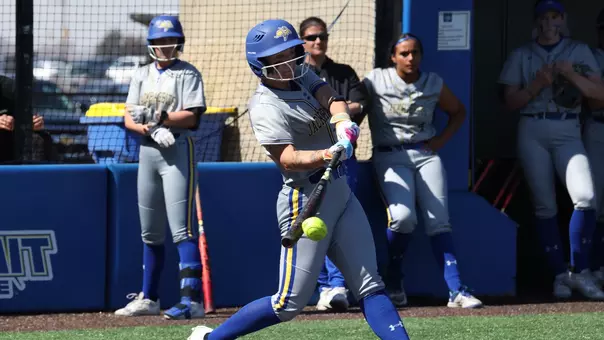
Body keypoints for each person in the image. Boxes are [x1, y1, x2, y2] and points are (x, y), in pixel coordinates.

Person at [187, 19, 410, 340]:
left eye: (291, 51)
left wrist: (343, 120)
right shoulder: (264, 106)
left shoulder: (301, 74)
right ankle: (209, 339)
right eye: (278, 56)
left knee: (371, 285)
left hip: (339, 190)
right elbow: (288, 159)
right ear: (260, 64)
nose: (288, 60)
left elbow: (330, 96)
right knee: (288, 303)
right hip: (305, 200)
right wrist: (328, 152)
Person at [362, 33, 483, 309]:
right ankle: (393, 281)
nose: (410, 58)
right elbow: (355, 106)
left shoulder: (432, 82)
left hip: (425, 154)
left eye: (415, 52)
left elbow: (458, 112)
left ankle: (456, 291)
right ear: (393, 56)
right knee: (403, 218)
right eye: (403, 53)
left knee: (439, 221)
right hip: (390, 155)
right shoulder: (375, 80)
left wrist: (440, 140)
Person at [498, 0, 604, 300]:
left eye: (555, 16)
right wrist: (536, 84)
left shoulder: (579, 51)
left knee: (585, 197)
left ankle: (579, 271)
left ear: (563, 19)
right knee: (545, 205)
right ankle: (559, 276)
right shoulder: (522, 53)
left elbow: (599, 95)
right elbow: (509, 102)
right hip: (532, 127)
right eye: (544, 16)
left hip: (568, 126)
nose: (549, 22)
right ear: (536, 21)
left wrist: (571, 75)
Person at [115, 15, 208, 319]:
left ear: (178, 42)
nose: (165, 46)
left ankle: (191, 301)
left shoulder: (188, 74)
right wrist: (150, 130)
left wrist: (162, 120)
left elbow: (193, 116)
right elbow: (129, 116)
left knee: (181, 230)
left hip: (177, 150)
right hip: (148, 152)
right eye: (159, 41)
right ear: (151, 43)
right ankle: (149, 297)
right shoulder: (141, 74)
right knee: (150, 231)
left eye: (169, 41)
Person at [299, 16, 369, 312]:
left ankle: (337, 285)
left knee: (338, 217)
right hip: (309, 158)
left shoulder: (342, 72)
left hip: (341, 156)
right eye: (312, 37)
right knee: (312, 221)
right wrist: (337, 109)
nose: (318, 41)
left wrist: (334, 109)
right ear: (303, 41)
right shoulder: (297, 74)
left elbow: (357, 105)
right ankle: (323, 286)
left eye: (322, 36)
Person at [586, 8, 604, 286]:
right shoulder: (590, 56)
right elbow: (596, 101)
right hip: (598, 125)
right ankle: (595, 267)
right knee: (594, 200)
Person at [0, 75, 50, 163]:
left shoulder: (10, 87)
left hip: (10, 142)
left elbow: (25, 117)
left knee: (38, 138)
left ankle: (33, 174)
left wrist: (33, 123)